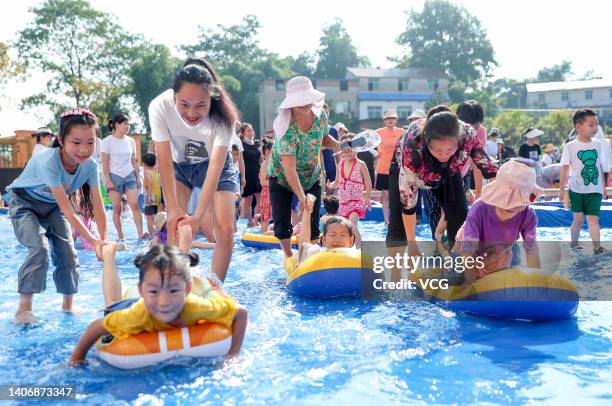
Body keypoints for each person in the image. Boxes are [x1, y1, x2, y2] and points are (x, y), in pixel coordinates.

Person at [69, 226, 247, 366]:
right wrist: (76, 359)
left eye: (174, 291)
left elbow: (241, 313)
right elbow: (96, 328)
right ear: (141, 291)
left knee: (174, 270)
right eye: (154, 292)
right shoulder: (136, 316)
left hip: (157, 294)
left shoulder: (195, 306)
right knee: (113, 303)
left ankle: (184, 243)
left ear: (188, 290)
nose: (164, 302)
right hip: (134, 305)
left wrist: (233, 356)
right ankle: (109, 255)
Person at [6, 108, 108, 324]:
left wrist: (103, 240)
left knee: (68, 252)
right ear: (61, 140)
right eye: (76, 142)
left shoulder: (90, 166)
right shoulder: (49, 161)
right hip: (25, 202)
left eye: (90, 142)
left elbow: (99, 205)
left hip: (52, 207)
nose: (84, 149)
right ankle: (24, 309)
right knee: (39, 248)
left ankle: (67, 305)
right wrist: (92, 240)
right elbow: (69, 210)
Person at [148, 58, 239, 281]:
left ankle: (215, 286)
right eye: (184, 104)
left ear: (212, 98)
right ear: (174, 96)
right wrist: (172, 208)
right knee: (175, 224)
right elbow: (165, 161)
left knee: (226, 228)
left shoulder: (224, 118)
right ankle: (173, 284)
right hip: (180, 165)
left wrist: (198, 215)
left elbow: (216, 167)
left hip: (214, 165)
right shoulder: (159, 106)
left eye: (201, 105)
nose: (191, 112)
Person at [386, 108, 497, 257]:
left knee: (459, 215)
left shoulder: (468, 135)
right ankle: (395, 276)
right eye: (438, 150)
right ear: (427, 142)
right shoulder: (413, 148)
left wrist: (494, 208)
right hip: (408, 170)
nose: (443, 154)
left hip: (448, 172)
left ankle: (459, 268)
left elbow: (489, 170)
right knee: (397, 224)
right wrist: (412, 244)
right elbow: (408, 205)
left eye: (449, 149)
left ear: (458, 141)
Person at [267, 76, 340, 272]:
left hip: (311, 174)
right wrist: (300, 198)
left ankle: (311, 258)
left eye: (306, 99)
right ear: (290, 103)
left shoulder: (320, 116)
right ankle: (289, 256)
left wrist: (340, 145)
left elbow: (324, 138)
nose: (304, 104)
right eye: (298, 102)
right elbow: (289, 168)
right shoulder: (286, 129)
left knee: (314, 220)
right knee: (282, 223)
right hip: (282, 177)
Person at [453, 159, 541, 283]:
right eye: (508, 201)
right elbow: (467, 251)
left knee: (503, 279)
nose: (512, 206)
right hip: (465, 251)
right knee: (456, 280)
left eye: (518, 202)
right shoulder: (479, 209)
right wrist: (470, 284)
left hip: (501, 252)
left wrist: (535, 281)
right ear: (498, 195)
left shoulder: (528, 214)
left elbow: (531, 250)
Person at [559, 108, 606, 254]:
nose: (595, 128)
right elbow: (565, 168)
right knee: (578, 219)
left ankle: (597, 247)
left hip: (595, 189)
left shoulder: (598, 144)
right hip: (576, 189)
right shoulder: (570, 146)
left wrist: (603, 187)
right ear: (578, 127)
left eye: (596, 124)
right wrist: (561, 190)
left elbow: (599, 165)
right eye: (591, 125)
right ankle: (574, 243)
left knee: (593, 219)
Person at [101, 113, 145, 240]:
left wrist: (137, 177)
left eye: (128, 123)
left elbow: (133, 161)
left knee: (135, 204)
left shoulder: (131, 141)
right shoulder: (107, 141)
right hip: (114, 177)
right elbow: (105, 163)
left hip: (129, 175)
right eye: (125, 123)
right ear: (117, 125)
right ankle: (121, 236)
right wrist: (108, 180)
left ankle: (140, 234)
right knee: (117, 208)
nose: (128, 126)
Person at [327, 134, 372, 248]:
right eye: (345, 151)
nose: (348, 153)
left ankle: (360, 249)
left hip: (356, 200)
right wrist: (331, 185)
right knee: (344, 228)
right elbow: (337, 182)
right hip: (343, 202)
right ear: (341, 152)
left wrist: (367, 197)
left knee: (352, 225)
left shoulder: (361, 164)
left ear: (356, 151)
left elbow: (368, 182)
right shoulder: (339, 165)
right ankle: (348, 248)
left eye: (350, 151)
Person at [294, 194, 356, 267]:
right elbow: (304, 245)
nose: (338, 240)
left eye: (343, 235)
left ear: (351, 240)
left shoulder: (355, 258)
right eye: (333, 235)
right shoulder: (317, 253)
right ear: (323, 240)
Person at [375, 110, 404, 224]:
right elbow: (368, 143)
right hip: (383, 168)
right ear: (384, 121)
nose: (390, 120)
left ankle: (398, 219)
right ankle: (387, 221)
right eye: (388, 118)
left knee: (398, 195)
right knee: (385, 196)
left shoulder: (402, 131)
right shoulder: (378, 132)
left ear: (396, 120)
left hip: (398, 168)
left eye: (392, 118)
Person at [238, 123, 261, 227]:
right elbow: (240, 160)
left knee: (260, 197)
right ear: (243, 133)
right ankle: (250, 221)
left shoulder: (256, 144)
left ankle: (256, 218)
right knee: (248, 198)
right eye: (248, 131)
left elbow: (260, 159)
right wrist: (242, 176)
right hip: (247, 173)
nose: (251, 132)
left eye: (252, 130)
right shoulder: (241, 144)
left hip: (257, 172)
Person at [142, 153, 162, 236]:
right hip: (158, 196)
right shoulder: (156, 172)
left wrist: (149, 195)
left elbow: (149, 183)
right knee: (157, 216)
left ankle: (152, 234)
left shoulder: (146, 172)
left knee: (149, 217)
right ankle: (158, 232)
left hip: (150, 197)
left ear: (144, 164)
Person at [258, 140, 273, 234]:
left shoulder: (275, 164)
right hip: (267, 193)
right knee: (265, 216)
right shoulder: (264, 165)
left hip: (274, 192)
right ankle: (264, 231)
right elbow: (263, 182)